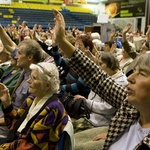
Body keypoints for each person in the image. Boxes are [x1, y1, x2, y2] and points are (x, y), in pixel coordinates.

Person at [52, 9, 150, 149]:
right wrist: (61, 41)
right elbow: (97, 78)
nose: (130, 78)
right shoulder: (132, 109)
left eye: (142, 74)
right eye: (134, 71)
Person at [0, 62, 69, 149]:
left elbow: (32, 145)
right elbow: (14, 124)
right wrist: (7, 103)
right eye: (30, 76)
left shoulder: (53, 109)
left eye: (34, 78)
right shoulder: (33, 97)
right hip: (16, 141)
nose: (28, 81)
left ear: (47, 85)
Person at [73, 52, 128, 133]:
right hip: (89, 115)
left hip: (100, 122)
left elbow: (108, 109)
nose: (98, 67)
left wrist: (86, 102)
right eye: (97, 64)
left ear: (111, 64)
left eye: (101, 64)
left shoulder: (122, 82)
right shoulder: (105, 76)